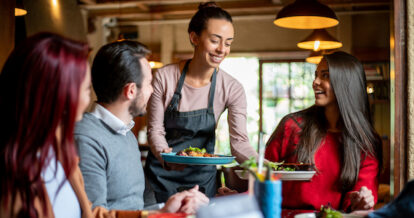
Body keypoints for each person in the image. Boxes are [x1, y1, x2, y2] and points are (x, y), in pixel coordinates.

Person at [74, 40, 208, 213]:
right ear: (130, 91)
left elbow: (143, 201)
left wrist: (174, 209)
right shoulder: (86, 139)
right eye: (149, 83)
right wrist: (162, 214)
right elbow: (92, 214)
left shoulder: (126, 134)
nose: (152, 91)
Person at [145, 1, 258, 202]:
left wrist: (263, 166)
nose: (222, 49)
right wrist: (166, 156)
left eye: (228, 43)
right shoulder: (165, 77)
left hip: (202, 182)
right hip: (161, 177)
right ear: (194, 37)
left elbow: (240, 142)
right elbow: (155, 130)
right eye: (215, 40)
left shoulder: (232, 88)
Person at [264, 51, 382, 212]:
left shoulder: (366, 142)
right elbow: (262, 174)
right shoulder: (291, 126)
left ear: (345, 84)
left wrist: (362, 200)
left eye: (325, 75)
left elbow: (361, 199)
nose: (315, 82)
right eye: (316, 75)